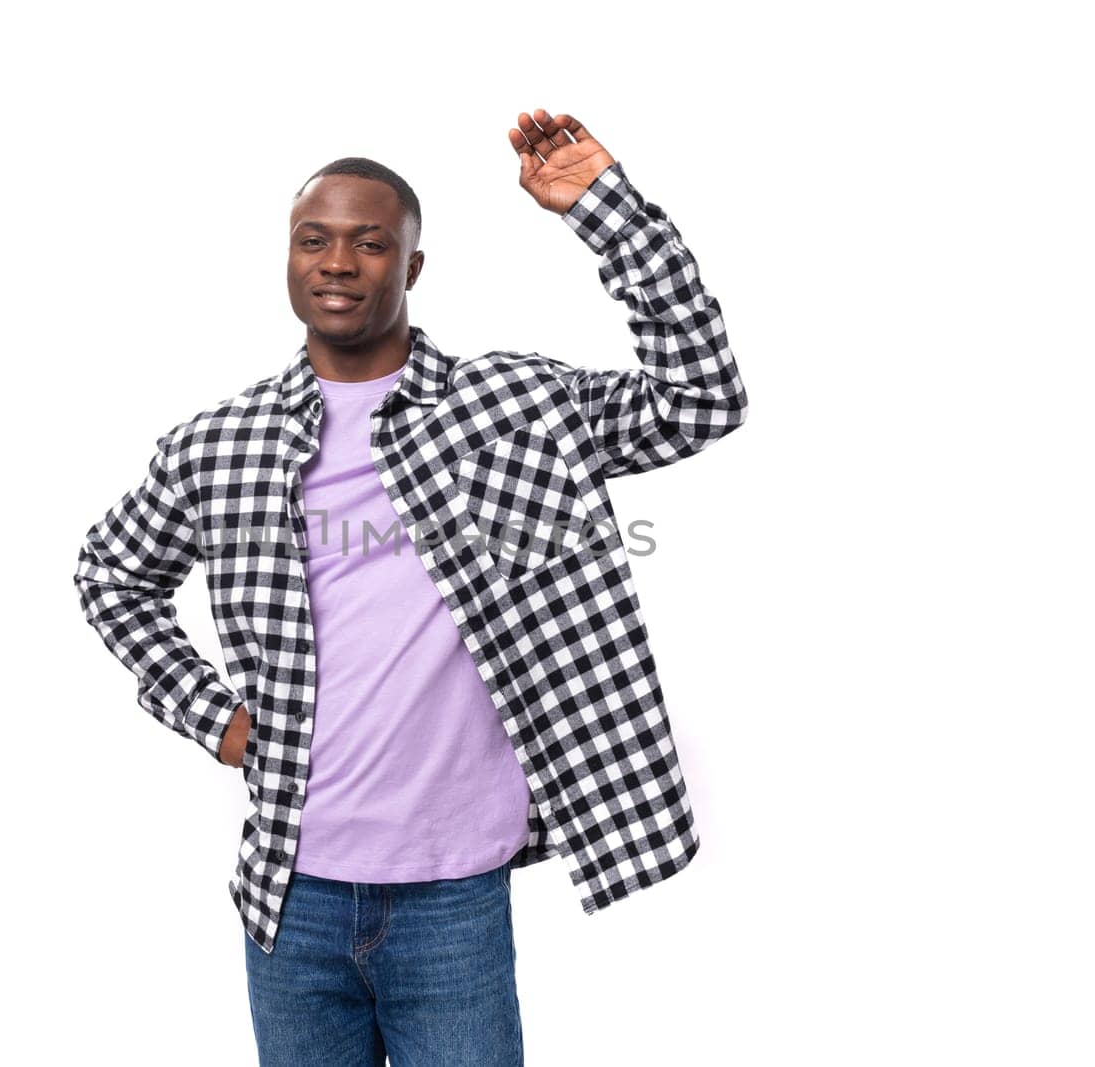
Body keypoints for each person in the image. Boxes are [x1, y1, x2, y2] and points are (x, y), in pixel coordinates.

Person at [74, 108, 749, 1065]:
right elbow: (110, 571)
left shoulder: (515, 407)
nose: (339, 262)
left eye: (369, 242)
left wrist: (605, 210)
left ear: (412, 267)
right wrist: (211, 714)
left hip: (453, 895)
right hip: (289, 889)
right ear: (288, 258)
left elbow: (701, 397)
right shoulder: (219, 444)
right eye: (315, 239)